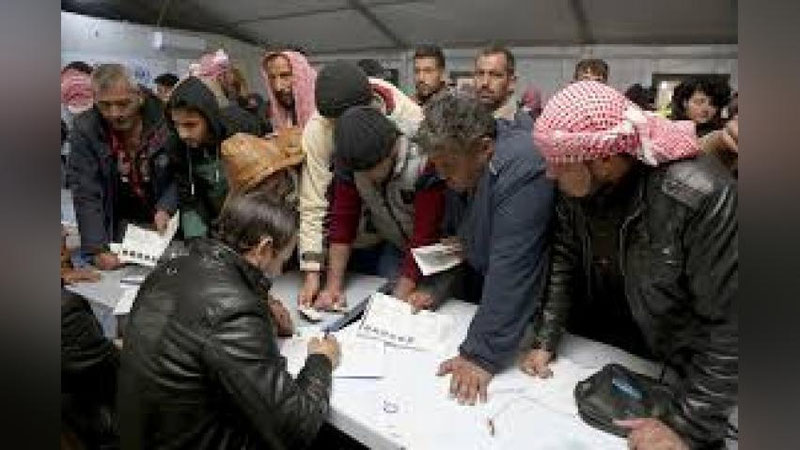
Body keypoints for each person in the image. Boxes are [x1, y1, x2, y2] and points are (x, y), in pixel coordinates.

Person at [523, 81, 737, 449]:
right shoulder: (581, 184)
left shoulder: (699, 194)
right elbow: (565, 259)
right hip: (622, 342)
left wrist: (688, 427)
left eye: (558, 161)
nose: (550, 173)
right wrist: (546, 338)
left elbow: (731, 324)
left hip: (688, 367)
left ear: (605, 159)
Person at [118, 191, 340, 449]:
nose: (281, 270)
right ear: (264, 248)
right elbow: (296, 427)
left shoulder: (167, 270)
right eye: (284, 259)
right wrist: (321, 360)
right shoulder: (236, 309)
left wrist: (264, 313)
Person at [412, 94, 554, 404]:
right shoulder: (466, 167)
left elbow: (513, 264)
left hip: (541, 309)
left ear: (484, 148)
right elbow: (461, 240)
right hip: (499, 302)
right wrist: (436, 288)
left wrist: (481, 355)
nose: (442, 175)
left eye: (448, 166)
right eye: (438, 166)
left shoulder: (524, 168)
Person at [296, 60, 424, 307]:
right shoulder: (318, 130)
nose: (345, 129)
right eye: (335, 123)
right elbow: (315, 203)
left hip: (410, 236)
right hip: (362, 235)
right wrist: (313, 274)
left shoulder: (406, 117)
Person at [310, 106, 445, 310]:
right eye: (360, 171)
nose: (366, 176)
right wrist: (332, 288)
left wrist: (398, 298)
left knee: (420, 304)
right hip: (397, 247)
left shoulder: (423, 162)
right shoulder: (352, 162)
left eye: (371, 168)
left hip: (438, 252)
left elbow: (425, 235)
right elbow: (343, 223)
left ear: (391, 150)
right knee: (385, 294)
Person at [67, 63, 177, 270]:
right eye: (105, 105)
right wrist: (97, 249)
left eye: (123, 103)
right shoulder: (85, 130)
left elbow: (180, 173)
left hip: (167, 221)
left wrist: (166, 207)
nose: (114, 113)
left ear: (139, 96)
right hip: (121, 223)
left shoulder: (166, 119)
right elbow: (85, 191)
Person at [166, 75, 264, 239]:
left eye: (190, 124)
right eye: (176, 124)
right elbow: (190, 200)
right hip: (215, 220)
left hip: (254, 213)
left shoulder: (242, 128)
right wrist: (197, 240)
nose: (183, 134)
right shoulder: (177, 147)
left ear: (209, 118)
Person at [473, 45, 529, 126]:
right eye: (480, 74)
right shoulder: (466, 119)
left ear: (511, 82)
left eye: (495, 75)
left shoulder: (522, 127)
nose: (484, 83)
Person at [261, 50, 317, 130]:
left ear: (303, 76)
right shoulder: (282, 118)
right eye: (272, 77)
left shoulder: (324, 116)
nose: (278, 87)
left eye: (285, 75)